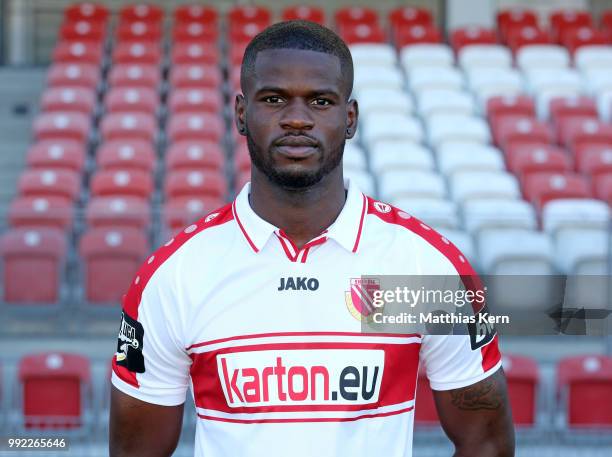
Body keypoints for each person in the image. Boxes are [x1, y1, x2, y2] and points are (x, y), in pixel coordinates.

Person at [109, 20, 515, 457]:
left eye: (321, 101)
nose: (297, 119)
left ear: (350, 117)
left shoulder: (423, 266)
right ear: (242, 114)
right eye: (274, 99)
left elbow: (486, 442)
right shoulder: (176, 275)